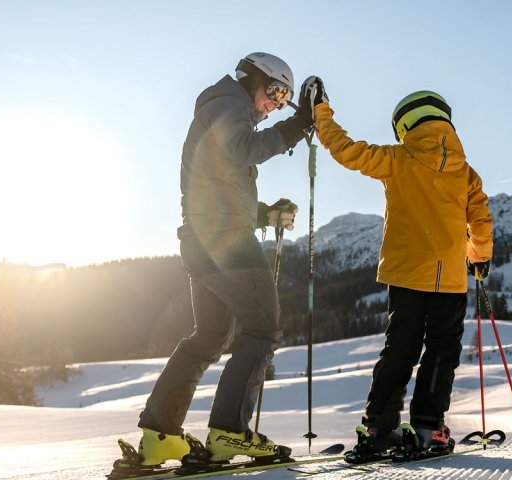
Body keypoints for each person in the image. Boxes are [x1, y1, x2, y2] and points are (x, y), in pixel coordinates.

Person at [134, 52, 313, 467]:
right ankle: (230, 432)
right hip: (228, 244)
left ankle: (160, 435)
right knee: (262, 329)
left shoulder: (220, 109)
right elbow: (243, 149)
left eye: (285, 100)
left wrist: (264, 214)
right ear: (256, 80)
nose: (276, 106)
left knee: (209, 337)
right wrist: (297, 125)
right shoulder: (230, 106)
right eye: (277, 93)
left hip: (203, 240)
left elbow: (216, 187)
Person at [307, 86, 493, 461]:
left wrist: (321, 114)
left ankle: (378, 428)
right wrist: (478, 257)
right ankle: (427, 429)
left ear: (404, 123)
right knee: (441, 351)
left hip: (405, 275)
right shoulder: (466, 173)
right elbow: (481, 220)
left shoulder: (398, 158)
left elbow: (347, 151)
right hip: (449, 282)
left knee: (399, 349)